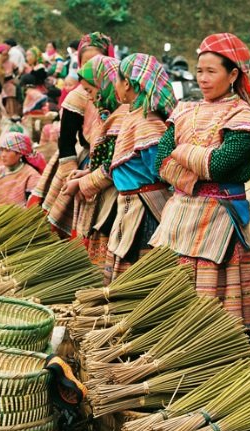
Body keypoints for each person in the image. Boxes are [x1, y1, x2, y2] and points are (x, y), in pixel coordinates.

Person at [150, 32, 250, 322]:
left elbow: (220, 165)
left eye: (211, 71)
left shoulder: (242, 116)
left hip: (219, 217)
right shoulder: (185, 109)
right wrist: (195, 170)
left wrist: (183, 151)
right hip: (178, 216)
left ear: (233, 74)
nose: (203, 78)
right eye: (199, 71)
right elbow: (159, 160)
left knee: (212, 299)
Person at [30, 32, 114, 235]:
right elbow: (66, 141)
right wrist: (71, 176)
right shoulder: (77, 97)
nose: (91, 68)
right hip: (82, 160)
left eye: (97, 61)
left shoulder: (118, 93)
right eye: (86, 63)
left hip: (111, 163)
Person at [101, 53, 176, 280]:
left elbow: (158, 168)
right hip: (132, 204)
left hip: (145, 210)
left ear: (127, 83)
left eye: (117, 79)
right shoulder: (135, 116)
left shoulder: (146, 122)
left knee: (142, 275)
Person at [62, 55, 127, 274]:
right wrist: (85, 173)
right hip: (103, 194)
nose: (90, 98)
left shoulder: (123, 118)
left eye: (91, 91)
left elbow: (114, 165)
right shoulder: (109, 115)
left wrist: (83, 183)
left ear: (106, 84)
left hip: (118, 202)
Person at [0, 132, 42, 207]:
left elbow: (31, 207)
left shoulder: (31, 176)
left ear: (20, 153)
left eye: (8, 151)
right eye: (1, 150)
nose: (3, 155)